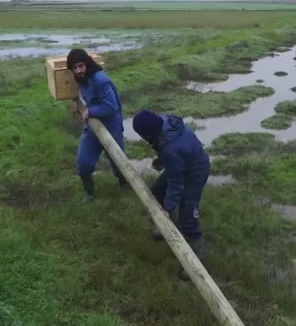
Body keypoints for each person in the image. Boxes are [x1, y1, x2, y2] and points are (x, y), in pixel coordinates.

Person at [132, 110, 211, 281]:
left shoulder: (170, 149)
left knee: (188, 217)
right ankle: (168, 229)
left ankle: (196, 265)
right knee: (157, 192)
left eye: (143, 136)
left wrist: (167, 210)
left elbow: (176, 183)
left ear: (147, 134)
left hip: (195, 172)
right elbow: (173, 146)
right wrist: (163, 161)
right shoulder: (165, 122)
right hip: (182, 163)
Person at [67, 48, 128, 202]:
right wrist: (75, 101)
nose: (78, 70)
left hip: (110, 124)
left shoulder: (101, 80)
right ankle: (89, 194)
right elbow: (79, 92)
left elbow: (111, 106)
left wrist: (90, 112)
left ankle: (125, 186)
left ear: (86, 64)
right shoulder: (80, 78)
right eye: (74, 68)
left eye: (81, 66)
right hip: (93, 127)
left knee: (118, 162)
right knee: (83, 163)